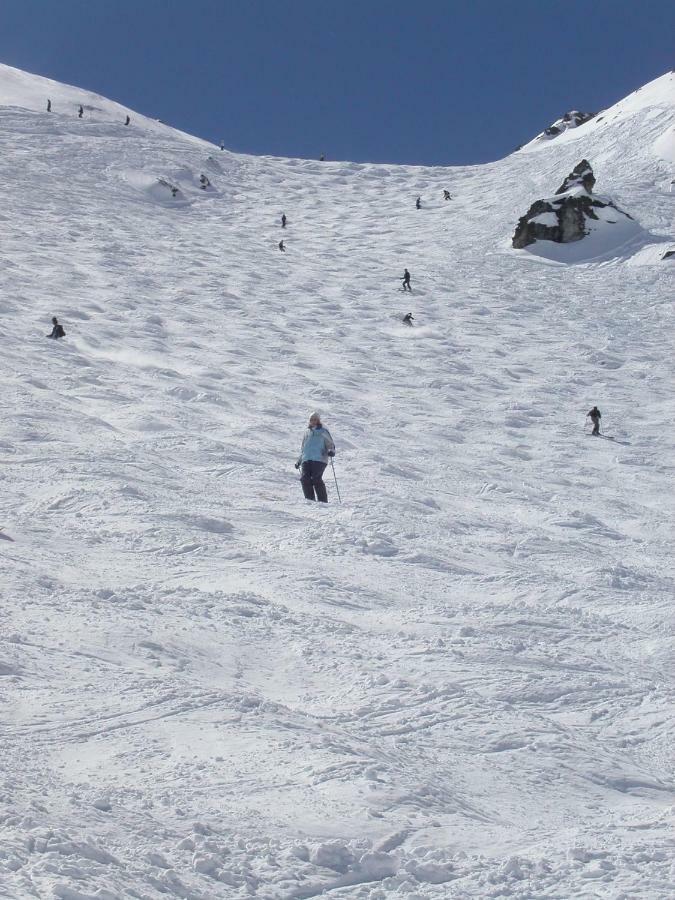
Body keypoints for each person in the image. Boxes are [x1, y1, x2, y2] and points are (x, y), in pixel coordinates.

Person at [294, 413, 335, 503]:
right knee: (305, 479)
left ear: (318, 420)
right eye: (311, 419)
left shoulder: (323, 431)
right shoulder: (307, 433)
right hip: (306, 459)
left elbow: (330, 444)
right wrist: (299, 461)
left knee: (316, 479)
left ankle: (323, 501)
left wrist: (331, 451)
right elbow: (303, 448)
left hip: (319, 459)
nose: (313, 421)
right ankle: (310, 500)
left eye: (315, 419)